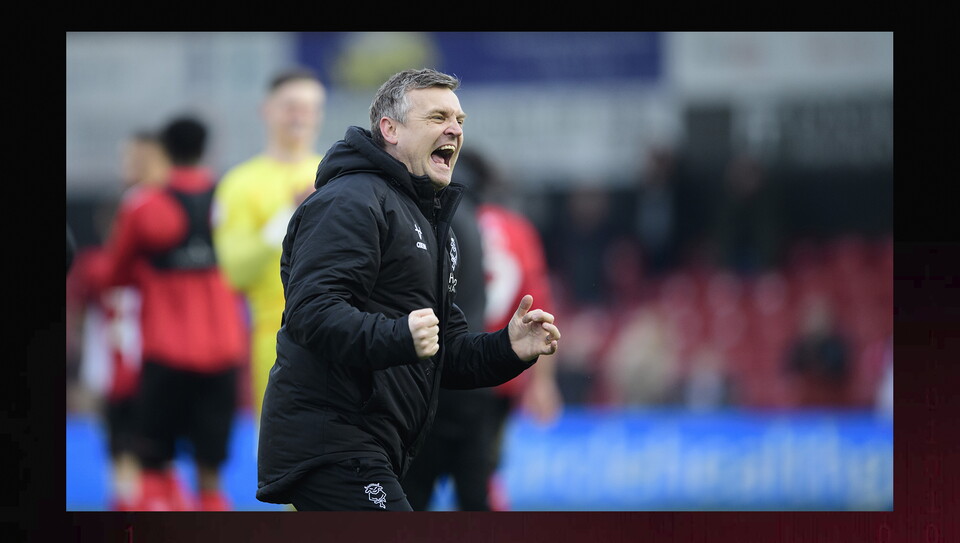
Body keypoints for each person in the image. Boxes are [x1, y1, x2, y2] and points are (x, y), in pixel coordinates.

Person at [256, 68, 561, 511]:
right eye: (438, 117)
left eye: (459, 120)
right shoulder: (351, 200)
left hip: (378, 444)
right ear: (390, 129)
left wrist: (509, 348)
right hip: (333, 442)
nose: (454, 129)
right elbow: (312, 313)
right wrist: (400, 335)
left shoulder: (431, 221)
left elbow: (445, 353)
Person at [89, 116, 248, 511]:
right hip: (225, 351)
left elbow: (113, 275)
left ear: (164, 151)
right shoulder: (231, 199)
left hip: (166, 354)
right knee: (211, 477)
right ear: (206, 149)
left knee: (154, 467)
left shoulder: (144, 206)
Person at [402, 149, 562, 511]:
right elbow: (540, 310)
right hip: (498, 375)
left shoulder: (427, 220)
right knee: (479, 490)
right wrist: (542, 381)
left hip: (437, 370)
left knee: (412, 492)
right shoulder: (516, 229)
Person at [213, 67, 327, 421]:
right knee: (282, 455)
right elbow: (235, 270)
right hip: (275, 336)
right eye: (291, 105)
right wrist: (289, 215)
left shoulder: (339, 173)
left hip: (347, 333)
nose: (300, 116)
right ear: (267, 109)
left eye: (309, 107)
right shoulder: (240, 184)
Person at [75, 130, 171, 511]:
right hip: (115, 373)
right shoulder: (95, 267)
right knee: (122, 452)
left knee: (154, 455)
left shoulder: (158, 260)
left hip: (154, 366)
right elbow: (83, 318)